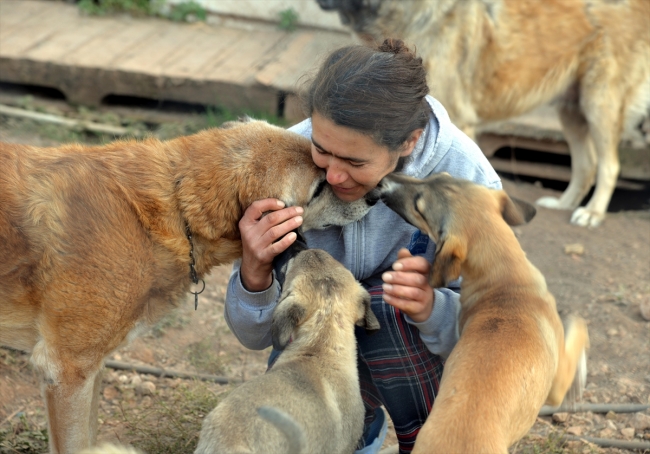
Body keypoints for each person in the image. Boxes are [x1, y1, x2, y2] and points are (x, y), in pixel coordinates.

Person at [223, 38, 501, 453]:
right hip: (321, 359)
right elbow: (256, 335)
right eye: (322, 150)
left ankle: (431, 441)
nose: (332, 176)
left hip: (424, 355)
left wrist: (430, 307)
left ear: (409, 142)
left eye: (355, 163)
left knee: (386, 306)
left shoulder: (468, 184)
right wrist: (254, 273)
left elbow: (491, 332)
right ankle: (357, 436)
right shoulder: (284, 164)